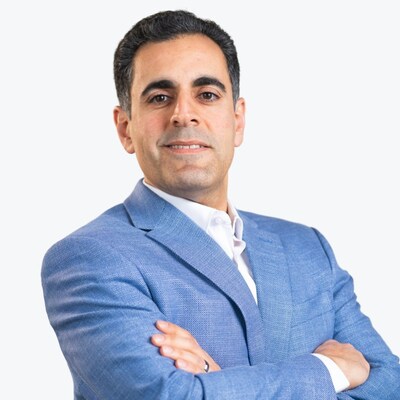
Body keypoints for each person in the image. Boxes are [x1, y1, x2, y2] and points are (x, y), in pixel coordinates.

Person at [41, 10, 400, 399]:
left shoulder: (308, 249)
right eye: (160, 97)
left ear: (238, 120)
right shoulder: (90, 259)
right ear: (125, 128)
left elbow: (390, 382)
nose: (184, 114)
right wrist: (329, 369)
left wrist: (214, 380)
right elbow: (171, 397)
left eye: (207, 95)